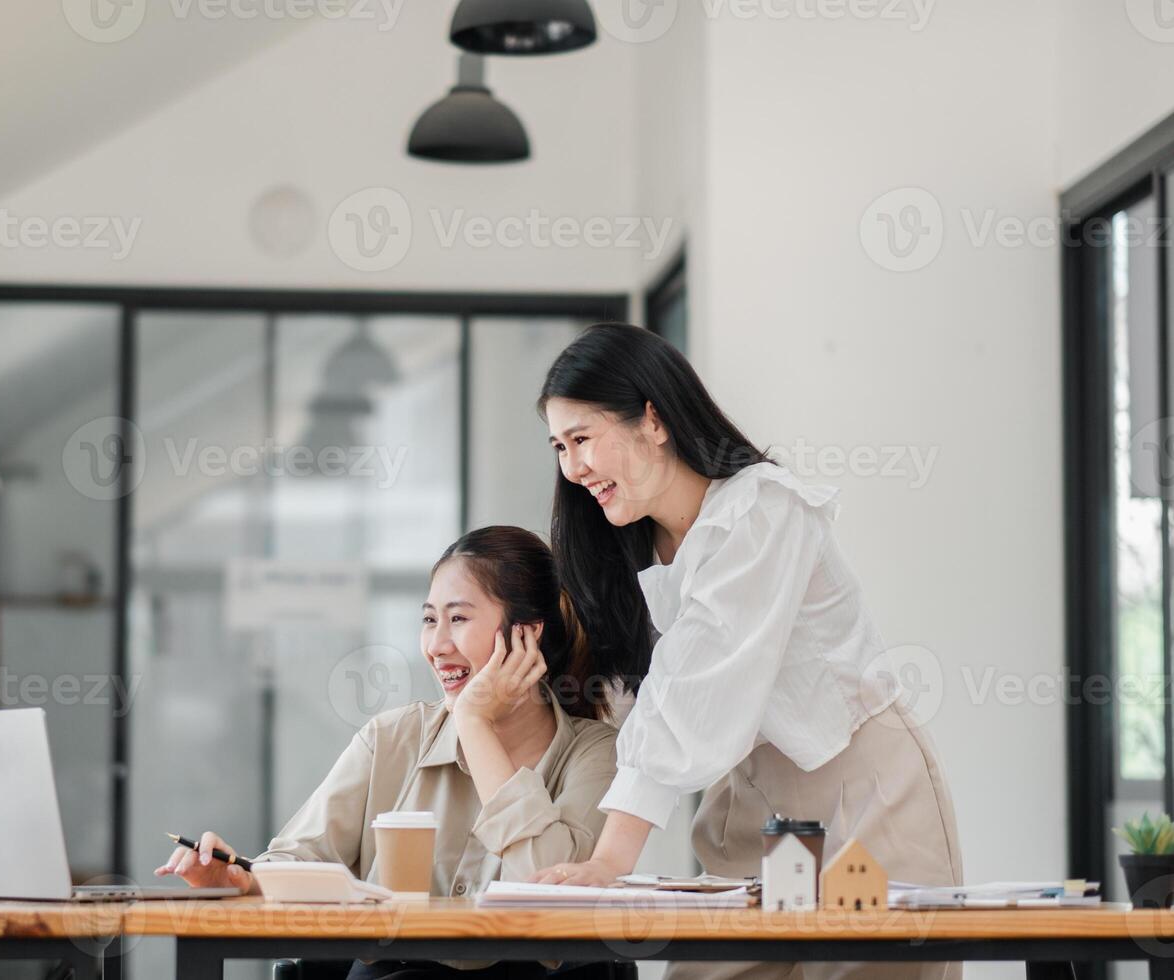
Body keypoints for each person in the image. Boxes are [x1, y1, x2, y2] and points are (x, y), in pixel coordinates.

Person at [530, 323, 962, 980]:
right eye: (560, 446)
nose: (573, 467)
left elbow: (691, 684)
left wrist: (611, 860)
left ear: (653, 419)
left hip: (864, 794)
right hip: (750, 800)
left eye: (583, 439)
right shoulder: (630, 548)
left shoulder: (763, 511)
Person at [157, 525, 619, 980]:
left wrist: (475, 724)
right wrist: (239, 878)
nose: (436, 646)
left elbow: (555, 900)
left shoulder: (594, 754)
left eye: (458, 619)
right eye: (428, 619)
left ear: (527, 635)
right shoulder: (392, 738)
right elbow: (298, 861)